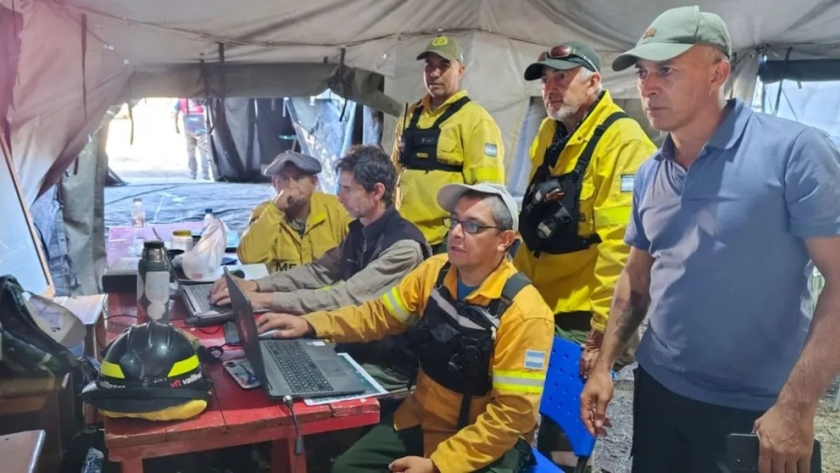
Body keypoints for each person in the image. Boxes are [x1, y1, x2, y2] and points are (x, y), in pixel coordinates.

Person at [581, 6, 840, 473]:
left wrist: (797, 407)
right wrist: (605, 366)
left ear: (718, 72)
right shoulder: (650, 174)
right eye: (643, 72)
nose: (648, 85)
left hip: (755, 408)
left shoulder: (793, 153)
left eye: (667, 69)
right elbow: (636, 278)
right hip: (659, 390)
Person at [257, 183, 554, 473]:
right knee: (348, 467)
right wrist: (311, 323)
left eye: (473, 226)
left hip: (485, 442)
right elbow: (378, 315)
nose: (456, 233)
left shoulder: (525, 314)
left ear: (505, 239)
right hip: (423, 417)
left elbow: (511, 416)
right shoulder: (435, 272)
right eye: (454, 221)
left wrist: (439, 464)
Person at [512, 40, 656, 470]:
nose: (551, 87)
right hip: (537, 302)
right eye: (546, 79)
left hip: (582, 314)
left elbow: (622, 249)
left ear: (594, 81)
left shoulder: (623, 142)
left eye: (563, 76)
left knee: (566, 426)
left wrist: (601, 336)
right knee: (520, 408)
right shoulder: (551, 132)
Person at [211, 145, 431, 390]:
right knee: (270, 364)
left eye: (348, 189)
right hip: (354, 341)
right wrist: (256, 285)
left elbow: (347, 297)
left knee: (292, 387)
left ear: (377, 191)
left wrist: (263, 300)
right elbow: (319, 271)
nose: (340, 197)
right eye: (340, 188)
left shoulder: (404, 247)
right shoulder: (362, 229)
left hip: (385, 362)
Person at [391, 34, 506, 254]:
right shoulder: (408, 117)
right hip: (402, 235)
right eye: (429, 66)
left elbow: (488, 193)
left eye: (444, 66)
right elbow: (393, 172)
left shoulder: (476, 121)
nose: (434, 73)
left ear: (460, 71)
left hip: (446, 239)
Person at [236, 151, 352, 273]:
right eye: (284, 178)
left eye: (298, 178)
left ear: (313, 182)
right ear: (275, 183)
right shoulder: (264, 213)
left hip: (327, 290)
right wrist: (275, 211)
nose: (291, 185)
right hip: (280, 290)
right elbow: (248, 259)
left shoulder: (336, 209)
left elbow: (361, 253)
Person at [173, 98, 213, 180]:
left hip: (188, 128)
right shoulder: (201, 98)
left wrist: (176, 126)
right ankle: (206, 174)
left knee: (191, 152)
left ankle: (193, 174)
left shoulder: (181, 100)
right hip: (201, 128)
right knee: (204, 151)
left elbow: (175, 113)